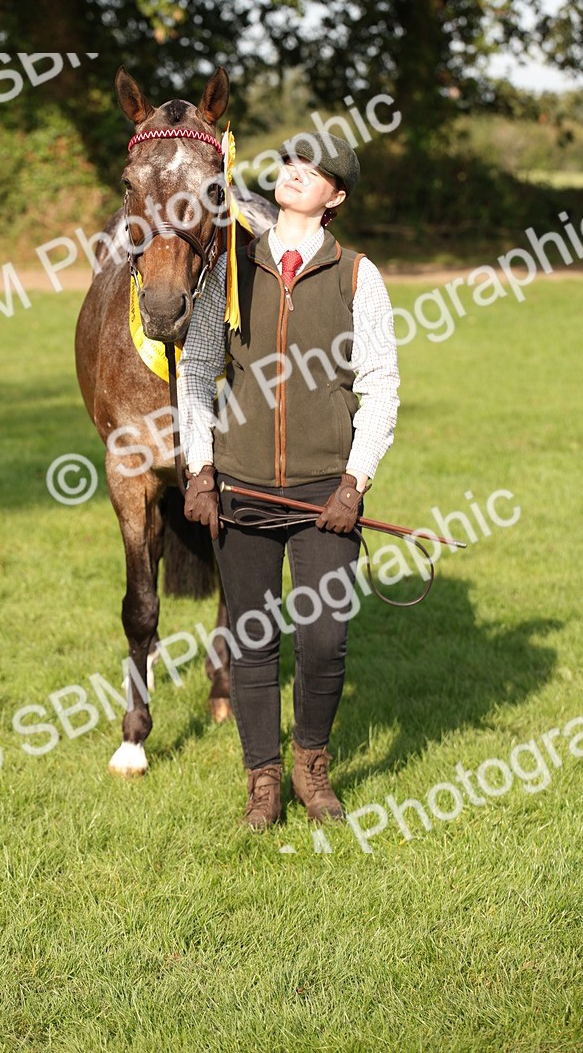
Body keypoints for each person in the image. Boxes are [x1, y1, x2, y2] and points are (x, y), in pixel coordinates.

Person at [177, 131, 400, 829]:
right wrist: (201, 469)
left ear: (335, 196)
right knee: (251, 641)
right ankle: (263, 782)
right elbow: (196, 372)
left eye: (317, 169)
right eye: (293, 162)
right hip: (240, 489)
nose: (298, 173)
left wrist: (353, 484)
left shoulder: (359, 276)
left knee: (325, 638)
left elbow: (382, 387)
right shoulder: (229, 271)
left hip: (324, 496)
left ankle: (311, 767)